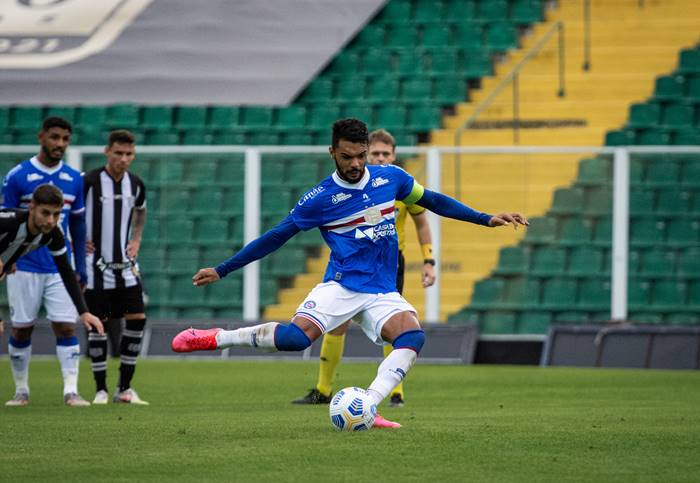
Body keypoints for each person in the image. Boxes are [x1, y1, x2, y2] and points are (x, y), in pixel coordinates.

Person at [171, 118, 528, 428]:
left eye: (361, 155)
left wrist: (485, 218)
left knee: (412, 337)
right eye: (347, 157)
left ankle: (368, 405)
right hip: (342, 284)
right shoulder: (320, 199)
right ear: (332, 153)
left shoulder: (392, 179)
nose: (356, 163)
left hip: (381, 289)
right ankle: (217, 337)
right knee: (297, 340)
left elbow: (433, 200)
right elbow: (275, 237)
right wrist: (223, 269)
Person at [293, 128, 435, 407]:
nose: (381, 158)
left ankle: (396, 391)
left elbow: (422, 222)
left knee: (394, 326)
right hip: (354, 262)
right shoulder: (358, 186)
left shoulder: (399, 185)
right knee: (336, 326)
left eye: (386, 154)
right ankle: (323, 389)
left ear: (394, 156)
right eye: (376, 154)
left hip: (390, 264)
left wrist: (429, 260)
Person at [0, 184, 104, 406]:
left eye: (56, 214)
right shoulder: (9, 221)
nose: (50, 220)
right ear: (32, 208)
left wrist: (84, 312)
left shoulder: (52, 235)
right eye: (45, 213)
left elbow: (66, 270)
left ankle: (69, 392)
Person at [83, 129, 149, 405]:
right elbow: (68, 214)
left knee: (137, 319)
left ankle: (124, 388)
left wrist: (136, 238)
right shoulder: (88, 181)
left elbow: (141, 211)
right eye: (118, 153)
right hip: (94, 267)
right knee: (98, 325)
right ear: (107, 152)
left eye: (129, 154)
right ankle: (100, 390)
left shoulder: (135, 184)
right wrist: (78, 241)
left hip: (125, 267)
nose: (123, 159)